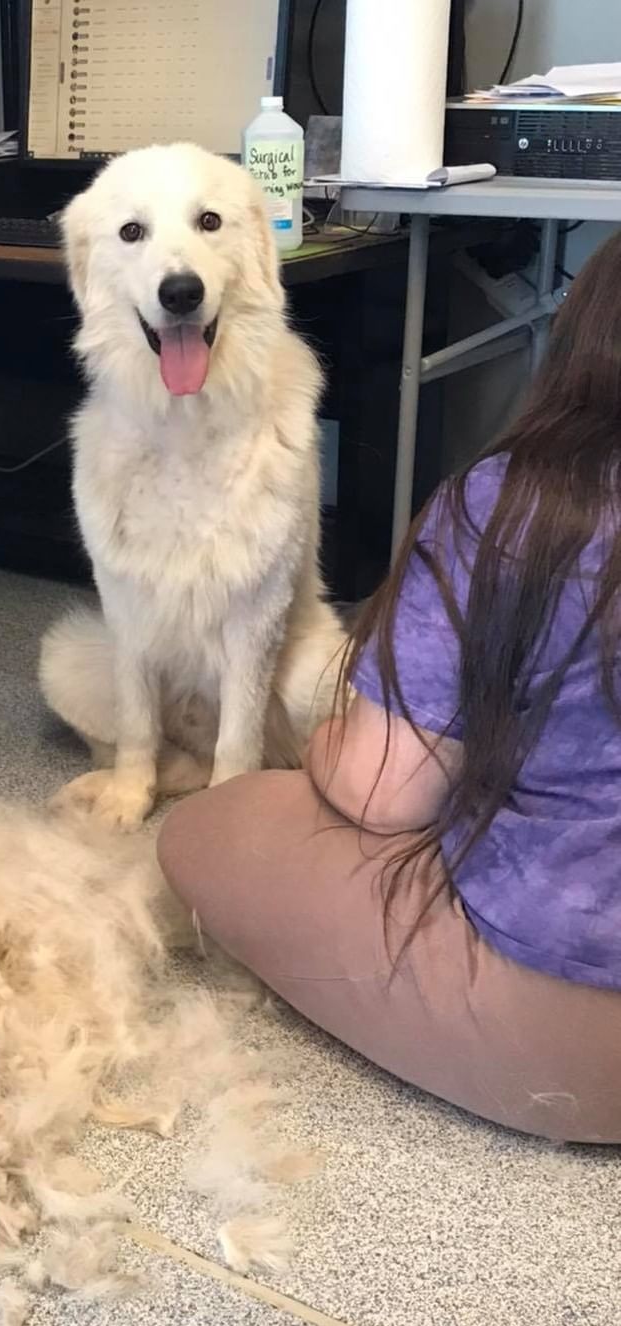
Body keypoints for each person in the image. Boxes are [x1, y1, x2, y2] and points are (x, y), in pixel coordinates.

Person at [157, 230, 621, 1143]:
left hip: (579, 1001)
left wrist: (333, 739)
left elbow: (384, 795)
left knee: (209, 824)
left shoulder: (520, 503)